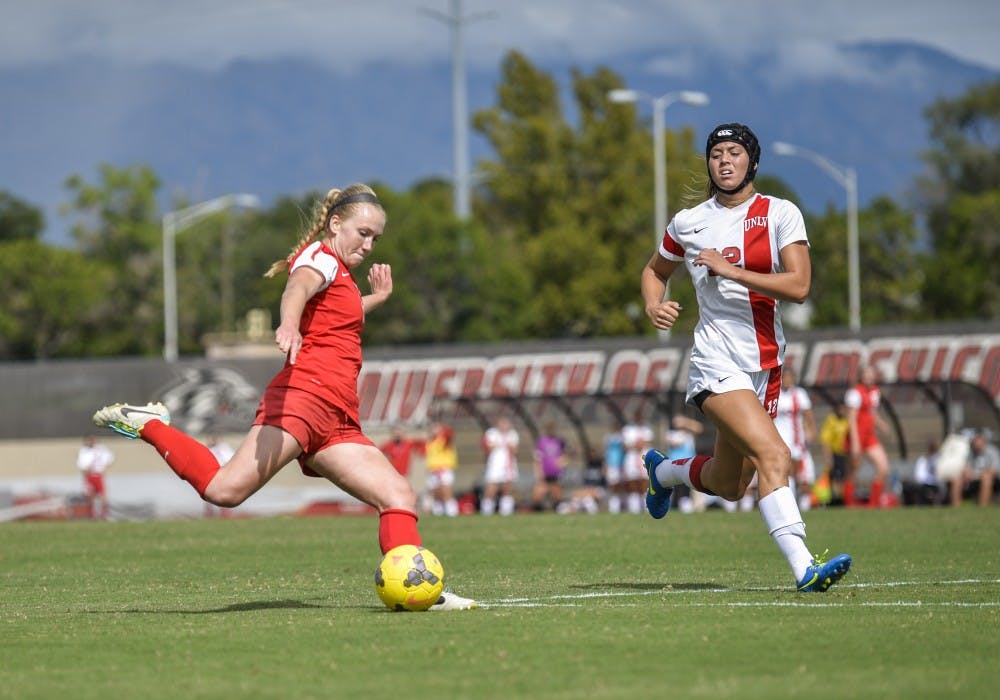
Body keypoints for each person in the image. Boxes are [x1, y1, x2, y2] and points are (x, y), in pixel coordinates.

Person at [92, 184, 476, 610]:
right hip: (302, 400)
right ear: (335, 224)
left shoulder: (344, 277)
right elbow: (296, 288)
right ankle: (150, 424)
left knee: (399, 497)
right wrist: (288, 324)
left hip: (337, 418)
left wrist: (376, 299)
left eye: (376, 238)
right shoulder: (319, 258)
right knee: (224, 491)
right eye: (362, 233)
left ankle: (424, 592)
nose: (368, 245)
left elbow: (337, 316)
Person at [638, 123, 851, 592]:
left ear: (752, 162)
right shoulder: (688, 222)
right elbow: (655, 271)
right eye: (716, 154)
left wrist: (732, 270)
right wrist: (655, 304)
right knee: (775, 453)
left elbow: (798, 287)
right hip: (716, 363)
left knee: (731, 485)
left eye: (734, 152)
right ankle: (805, 568)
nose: (724, 161)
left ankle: (665, 471)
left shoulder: (780, 213)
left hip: (766, 367)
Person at [843, 365, 892, 508]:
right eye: (866, 374)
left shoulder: (875, 392)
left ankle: (873, 504)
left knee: (883, 467)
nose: (869, 377)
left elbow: (872, 413)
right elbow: (851, 419)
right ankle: (849, 504)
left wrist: (882, 425)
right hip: (856, 437)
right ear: (861, 376)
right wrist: (855, 442)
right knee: (853, 471)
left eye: (871, 374)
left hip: (870, 437)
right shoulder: (855, 393)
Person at [772, 366, 817, 511]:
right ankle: (788, 506)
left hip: (798, 439)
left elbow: (808, 414)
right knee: (787, 471)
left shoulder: (800, 394)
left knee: (805, 474)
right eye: (784, 377)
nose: (787, 380)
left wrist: (811, 430)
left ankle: (804, 506)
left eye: (790, 377)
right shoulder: (775, 393)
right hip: (780, 438)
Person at [480, 416, 520, 516]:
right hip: (495, 465)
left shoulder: (513, 434)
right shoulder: (491, 433)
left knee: (507, 488)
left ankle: (506, 511)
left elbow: (515, 450)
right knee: (491, 488)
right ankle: (486, 511)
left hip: (508, 465)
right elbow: (487, 448)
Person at [950, 430, 999, 507]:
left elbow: (994, 470)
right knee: (956, 479)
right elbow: (966, 467)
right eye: (975, 441)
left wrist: (980, 475)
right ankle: (956, 507)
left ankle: (983, 506)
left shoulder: (992, 452)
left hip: (991, 479)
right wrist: (967, 473)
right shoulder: (970, 453)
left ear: (984, 441)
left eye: (979, 441)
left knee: (986, 477)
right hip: (973, 478)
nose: (977, 444)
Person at [531, 421, 569, 511]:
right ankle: (537, 511)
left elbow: (566, 454)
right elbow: (537, 458)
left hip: (555, 472)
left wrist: (563, 462)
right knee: (538, 494)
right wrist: (538, 471)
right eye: (549, 429)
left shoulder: (559, 441)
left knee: (557, 494)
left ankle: (558, 510)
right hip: (544, 472)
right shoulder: (541, 442)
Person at [621, 411, 654, 514]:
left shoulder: (647, 428)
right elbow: (625, 445)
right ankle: (633, 508)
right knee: (632, 483)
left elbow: (648, 442)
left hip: (644, 458)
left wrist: (638, 444)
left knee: (645, 482)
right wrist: (636, 445)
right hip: (631, 459)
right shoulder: (628, 429)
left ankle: (646, 507)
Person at [424, 422, 459, 517]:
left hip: (444, 469)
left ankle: (452, 513)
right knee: (436, 494)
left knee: (446, 492)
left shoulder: (445, 440)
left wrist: (442, 431)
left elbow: (450, 434)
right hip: (433, 470)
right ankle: (438, 514)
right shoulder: (430, 442)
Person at [818, 402, 850, 505]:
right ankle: (834, 499)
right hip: (835, 454)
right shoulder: (831, 420)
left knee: (844, 477)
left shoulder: (848, 420)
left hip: (845, 454)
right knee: (835, 477)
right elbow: (825, 440)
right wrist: (828, 457)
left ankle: (844, 499)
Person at [77, 434, 114, 519]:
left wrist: (105, 468)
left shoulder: (101, 449)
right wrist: (85, 470)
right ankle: (91, 516)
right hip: (89, 476)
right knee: (90, 496)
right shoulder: (84, 451)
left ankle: (104, 515)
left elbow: (110, 458)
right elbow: (81, 465)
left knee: (102, 496)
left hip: (98, 475)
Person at [204, 435, 235, 518]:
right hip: (212, 474)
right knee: (209, 494)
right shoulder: (209, 449)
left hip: (222, 472)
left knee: (223, 493)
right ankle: (210, 514)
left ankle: (224, 514)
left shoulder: (223, 448)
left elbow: (230, 458)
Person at [602, 421, 627, 514]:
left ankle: (624, 505)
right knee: (613, 486)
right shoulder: (608, 437)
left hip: (622, 464)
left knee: (623, 486)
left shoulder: (623, 437)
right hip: (612, 464)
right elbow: (606, 452)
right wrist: (605, 465)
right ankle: (614, 507)